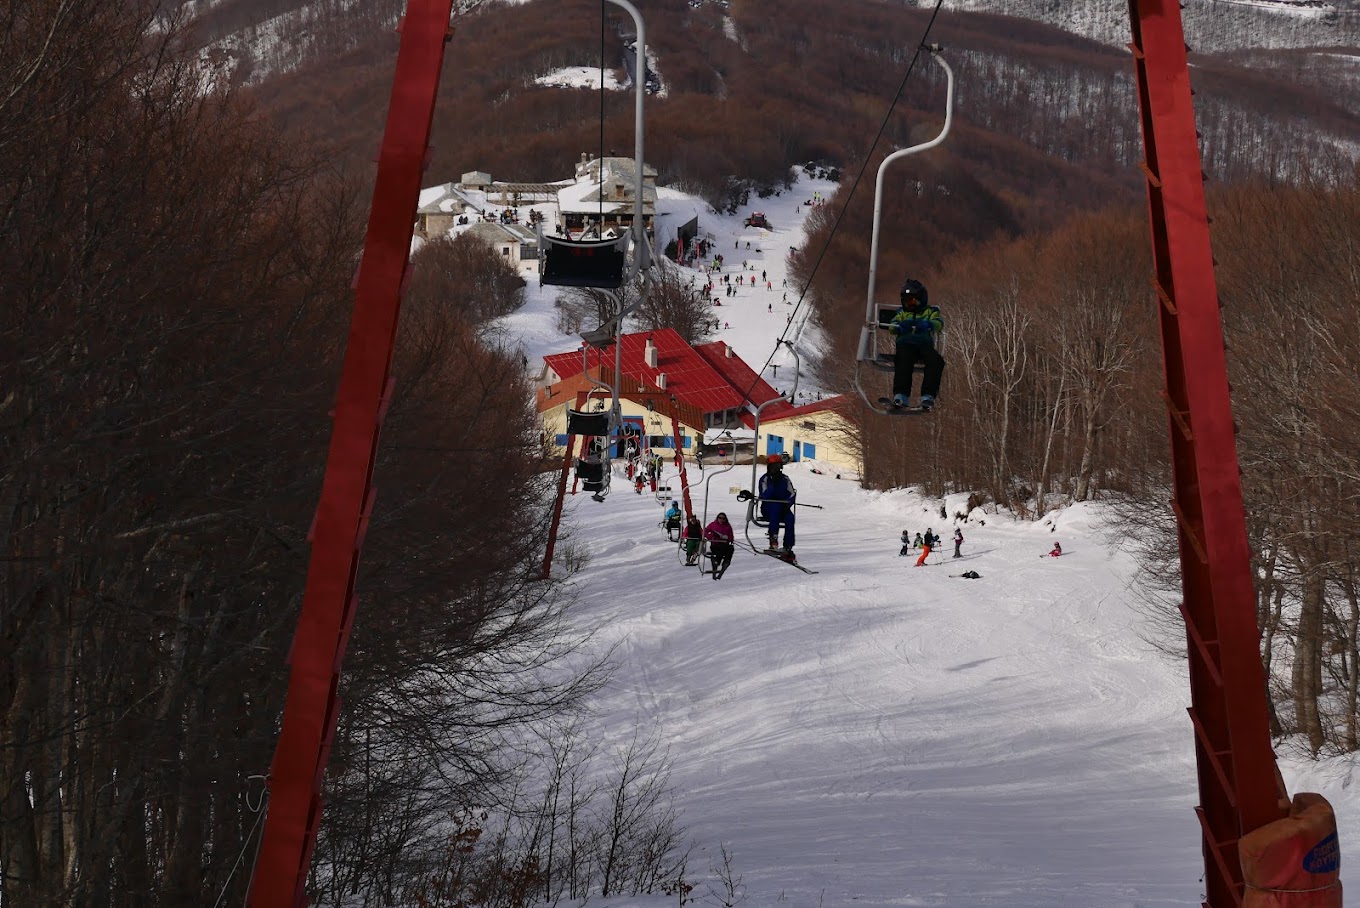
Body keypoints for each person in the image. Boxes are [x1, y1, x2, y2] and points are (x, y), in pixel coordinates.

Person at [888, 278, 945, 410]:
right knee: (903, 360)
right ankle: (901, 395)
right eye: (907, 301)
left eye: (913, 300)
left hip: (923, 344)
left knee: (936, 361)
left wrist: (927, 325)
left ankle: (928, 396)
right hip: (906, 344)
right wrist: (900, 327)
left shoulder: (930, 311)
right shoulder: (901, 313)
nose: (910, 304)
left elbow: (938, 323)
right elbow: (892, 326)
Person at [758, 454, 797, 554]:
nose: (775, 469)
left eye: (777, 466)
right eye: (773, 466)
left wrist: (786, 505)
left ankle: (788, 545)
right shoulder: (765, 479)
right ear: (769, 467)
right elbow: (764, 495)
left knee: (790, 518)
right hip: (768, 508)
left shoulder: (785, 479)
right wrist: (772, 486)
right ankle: (773, 538)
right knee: (775, 507)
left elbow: (792, 493)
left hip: (783, 508)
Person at [705, 512, 735, 579]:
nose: (721, 520)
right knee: (720, 549)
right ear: (717, 518)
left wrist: (727, 538)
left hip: (724, 544)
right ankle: (717, 562)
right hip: (715, 544)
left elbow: (731, 537)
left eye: (723, 518)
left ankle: (726, 562)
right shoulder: (713, 525)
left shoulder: (727, 526)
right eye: (720, 518)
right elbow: (705, 531)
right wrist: (711, 537)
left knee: (730, 548)